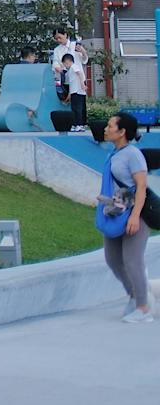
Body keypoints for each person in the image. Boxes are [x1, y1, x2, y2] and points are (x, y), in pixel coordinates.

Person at [97, 110, 152, 322]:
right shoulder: (113, 153)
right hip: (115, 212)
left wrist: (135, 216)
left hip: (134, 214)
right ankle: (133, 295)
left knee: (132, 261)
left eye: (110, 126)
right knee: (113, 260)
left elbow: (141, 187)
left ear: (122, 132)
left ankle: (144, 308)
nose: (106, 129)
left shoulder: (133, 155)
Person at [65, 47, 89, 130]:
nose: (65, 66)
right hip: (74, 92)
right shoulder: (69, 71)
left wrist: (82, 84)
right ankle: (76, 124)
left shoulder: (74, 66)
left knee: (78, 109)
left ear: (68, 62)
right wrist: (69, 95)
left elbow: (80, 74)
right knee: (75, 109)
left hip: (78, 91)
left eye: (65, 64)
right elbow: (71, 84)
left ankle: (80, 124)